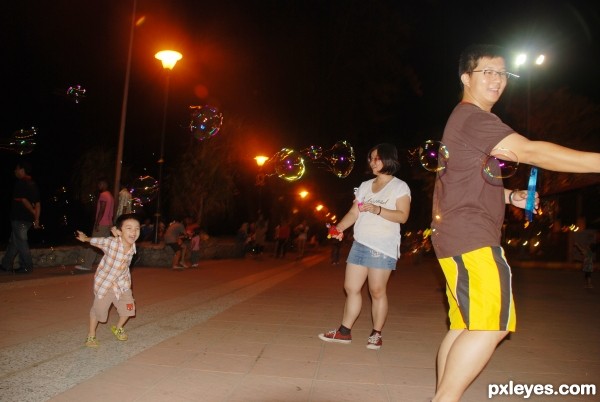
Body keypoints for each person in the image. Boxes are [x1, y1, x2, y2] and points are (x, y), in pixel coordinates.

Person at [430, 44, 600, 402]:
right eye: (487, 72)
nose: (497, 79)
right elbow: (532, 151)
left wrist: (509, 197)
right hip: (472, 238)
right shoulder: (475, 118)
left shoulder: (463, 121)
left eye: (503, 73)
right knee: (493, 325)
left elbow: (461, 180)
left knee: (466, 325)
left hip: (457, 234)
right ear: (465, 77)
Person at [318, 143, 411, 350]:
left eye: (377, 158)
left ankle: (376, 334)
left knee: (377, 291)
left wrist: (378, 209)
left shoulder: (400, 186)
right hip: (360, 243)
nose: (372, 162)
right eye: (371, 158)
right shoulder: (365, 185)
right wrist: (339, 228)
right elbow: (354, 213)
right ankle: (344, 332)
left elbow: (403, 216)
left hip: (382, 246)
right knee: (351, 288)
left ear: (388, 159)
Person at [75, 213, 141, 348]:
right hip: (105, 284)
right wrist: (85, 238)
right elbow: (97, 241)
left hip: (122, 285)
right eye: (129, 228)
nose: (134, 232)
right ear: (119, 231)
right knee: (98, 311)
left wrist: (118, 234)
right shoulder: (111, 243)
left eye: (137, 228)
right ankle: (91, 335)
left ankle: (118, 328)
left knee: (129, 309)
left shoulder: (133, 247)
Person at [1, 161, 41, 274]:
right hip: (28, 220)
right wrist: (36, 219)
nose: (15, 171)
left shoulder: (20, 184)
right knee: (14, 242)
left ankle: (27, 267)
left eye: (17, 169)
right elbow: (38, 204)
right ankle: (5, 265)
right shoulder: (33, 184)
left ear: (22, 170)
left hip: (19, 219)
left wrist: (33, 211)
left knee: (22, 243)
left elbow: (24, 200)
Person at [75, 178, 115, 271]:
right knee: (105, 245)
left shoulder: (103, 195)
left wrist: (97, 223)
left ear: (105, 184)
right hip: (108, 224)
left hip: (101, 223)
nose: (99, 186)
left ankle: (87, 265)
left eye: (100, 184)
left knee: (93, 243)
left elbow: (102, 209)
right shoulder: (110, 196)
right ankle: (109, 265)